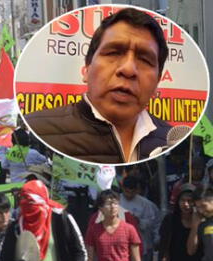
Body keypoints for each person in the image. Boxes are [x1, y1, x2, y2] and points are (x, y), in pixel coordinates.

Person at [24, 8, 171, 163]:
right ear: (87, 69)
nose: (128, 69)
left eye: (145, 60)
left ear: (157, 83)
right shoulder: (39, 129)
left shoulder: (171, 140)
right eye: (113, 53)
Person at [119, 175, 161, 261]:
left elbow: (155, 222)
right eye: (127, 191)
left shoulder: (146, 204)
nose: (129, 194)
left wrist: (139, 221)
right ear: (122, 188)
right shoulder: (116, 202)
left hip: (142, 242)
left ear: (137, 190)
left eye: (133, 191)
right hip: (121, 244)